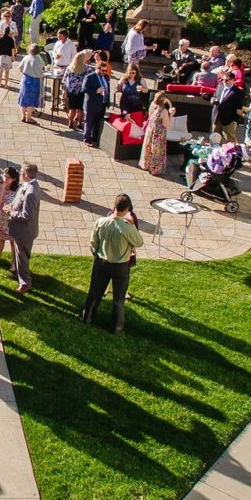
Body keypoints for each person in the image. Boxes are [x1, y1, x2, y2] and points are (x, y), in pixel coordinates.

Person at [81, 194, 144, 334]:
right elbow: (139, 242)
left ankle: (88, 317)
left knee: (94, 292)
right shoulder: (128, 227)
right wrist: (132, 225)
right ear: (127, 209)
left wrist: (97, 254)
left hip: (101, 262)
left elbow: (93, 243)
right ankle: (116, 326)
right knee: (118, 298)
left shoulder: (100, 222)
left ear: (114, 206)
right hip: (120, 265)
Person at [3, 163, 42, 293]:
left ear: (25, 175)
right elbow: (18, 200)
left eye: (21, 172)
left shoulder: (31, 192)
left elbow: (27, 215)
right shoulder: (27, 185)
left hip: (24, 232)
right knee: (18, 256)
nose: (20, 174)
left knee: (22, 258)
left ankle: (25, 283)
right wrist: (11, 206)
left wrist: (10, 213)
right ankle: (17, 274)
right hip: (18, 229)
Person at [139, 91, 175, 175]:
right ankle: (155, 169)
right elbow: (166, 124)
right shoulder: (164, 111)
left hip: (150, 129)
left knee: (148, 148)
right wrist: (171, 114)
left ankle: (146, 165)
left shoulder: (152, 105)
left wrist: (166, 101)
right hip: (158, 133)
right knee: (157, 151)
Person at [0, 165, 18, 267]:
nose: (5, 179)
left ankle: (14, 262)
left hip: (11, 219)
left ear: (14, 179)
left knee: (12, 241)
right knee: (0, 239)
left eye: (8, 177)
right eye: (4, 176)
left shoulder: (17, 190)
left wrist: (10, 208)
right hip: (1, 217)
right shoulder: (0, 186)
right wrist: (1, 190)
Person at [82, 51, 111, 147]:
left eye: (105, 70)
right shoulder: (89, 77)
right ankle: (87, 138)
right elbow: (84, 89)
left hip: (102, 104)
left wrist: (107, 101)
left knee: (98, 122)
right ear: (97, 68)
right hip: (92, 103)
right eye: (102, 70)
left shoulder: (106, 77)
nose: (104, 72)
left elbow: (107, 88)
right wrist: (96, 91)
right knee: (89, 122)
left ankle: (95, 138)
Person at [212, 69, 244, 144]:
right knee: (215, 139)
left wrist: (234, 120)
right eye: (223, 80)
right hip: (217, 117)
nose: (224, 82)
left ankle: (230, 155)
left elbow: (239, 108)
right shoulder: (220, 86)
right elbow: (214, 96)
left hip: (229, 120)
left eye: (226, 80)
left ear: (232, 80)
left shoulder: (237, 92)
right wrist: (212, 100)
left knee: (230, 142)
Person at [18, 43, 45, 124]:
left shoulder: (26, 58)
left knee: (23, 97)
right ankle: (29, 117)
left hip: (25, 79)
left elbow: (20, 67)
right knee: (31, 99)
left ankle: (23, 116)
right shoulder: (38, 60)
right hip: (35, 81)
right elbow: (41, 71)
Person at [63, 50, 90, 130]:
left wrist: (65, 89)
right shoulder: (87, 69)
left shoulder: (69, 68)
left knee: (72, 108)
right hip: (82, 91)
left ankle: (70, 122)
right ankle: (79, 123)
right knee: (81, 108)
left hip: (71, 91)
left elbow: (64, 79)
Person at [0, 11, 18, 88]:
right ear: (3, 16)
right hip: (3, 42)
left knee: (6, 67)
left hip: (10, 42)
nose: (7, 18)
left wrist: (12, 34)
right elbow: (0, 33)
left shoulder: (13, 23)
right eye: (5, 16)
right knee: (1, 67)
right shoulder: (1, 24)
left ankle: (5, 79)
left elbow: (17, 33)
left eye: (8, 16)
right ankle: (0, 81)